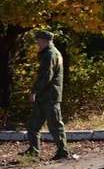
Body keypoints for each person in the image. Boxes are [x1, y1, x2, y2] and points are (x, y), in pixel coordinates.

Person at [20, 31, 70, 160]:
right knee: (33, 125)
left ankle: (63, 152)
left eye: (39, 40)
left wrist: (34, 91)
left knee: (55, 125)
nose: (37, 43)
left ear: (46, 40)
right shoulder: (51, 53)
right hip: (45, 96)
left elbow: (46, 76)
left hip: (50, 97)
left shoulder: (50, 54)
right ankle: (33, 151)